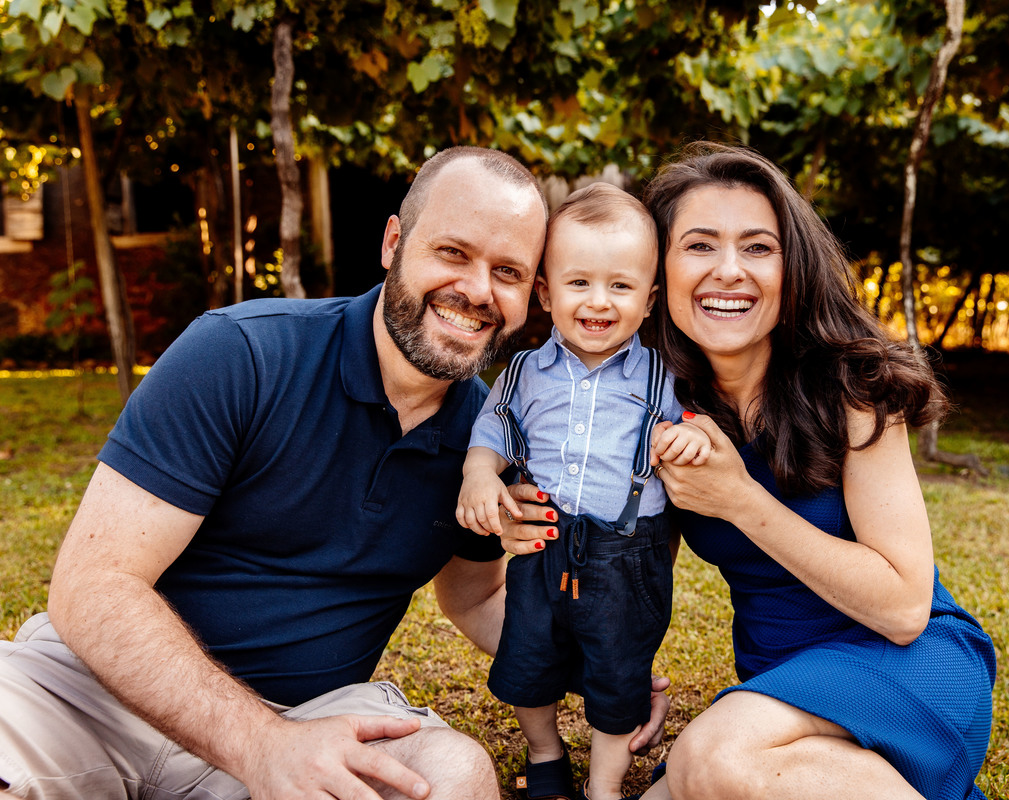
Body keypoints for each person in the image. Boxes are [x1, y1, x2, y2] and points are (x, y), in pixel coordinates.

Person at [0, 146, 665, 800]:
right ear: (393, 244)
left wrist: (608, 670)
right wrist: (258, 743)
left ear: (532, 296)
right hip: (86, 696)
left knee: (453, 779)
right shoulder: (241, 355)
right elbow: (95, 585)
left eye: (509, 272)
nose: (476, 290)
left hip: (308, 720)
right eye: (452, 253)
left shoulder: (489, 441)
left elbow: (475, 596)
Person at [501, 141, 997, 800]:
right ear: (658, 273)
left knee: (712, 756)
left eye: (758, 247)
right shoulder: (655, 406)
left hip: (908, 665)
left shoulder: (853, 385)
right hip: (778, 686)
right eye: (700, 246)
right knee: (693, 777)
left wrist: (740, 501)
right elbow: (624, 563)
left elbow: (904, 607)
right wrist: (617, 664)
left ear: (791, 268)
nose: (728, 270)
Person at [456, 183, 709, 800]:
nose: (599, 302)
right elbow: (493, 429)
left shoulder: (663, 377)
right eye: (579, 283)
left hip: (629, 555)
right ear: (545, 292)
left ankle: (603, 785)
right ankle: (545, 754)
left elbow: (696, 428)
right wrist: (479, 473)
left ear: (649, 301)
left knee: (619, 675)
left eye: (620, 286)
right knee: (527, 660)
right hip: (544, 548)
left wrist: (694, 440)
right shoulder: (524, 373)